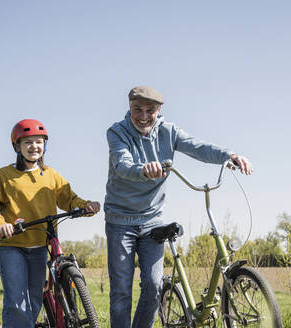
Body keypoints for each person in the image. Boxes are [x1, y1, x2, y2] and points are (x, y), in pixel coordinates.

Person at [104, 86, 252, 328]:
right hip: (121, 220)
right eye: (137, 109)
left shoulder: (168, 132)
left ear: (159, 110)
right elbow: (122, 164)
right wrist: (142, 170)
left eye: (149, 110)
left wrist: (229, 155)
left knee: (153, 286)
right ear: (129, 107)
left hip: (153, 219)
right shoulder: (117, 132)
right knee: (121, 289)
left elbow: (198, 147)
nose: (143, 116)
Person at [0, 119, 100, 328]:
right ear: (17, 147)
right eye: (28, 142)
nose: (34, 146)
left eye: (38, 141)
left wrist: (86, 205)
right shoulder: (4, 175)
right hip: (12, 246)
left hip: (40, 246)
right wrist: (0, 223)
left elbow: (68, 199)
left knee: (35, 299)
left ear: (44, 145)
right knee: (17, 302)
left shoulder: (51, 175)